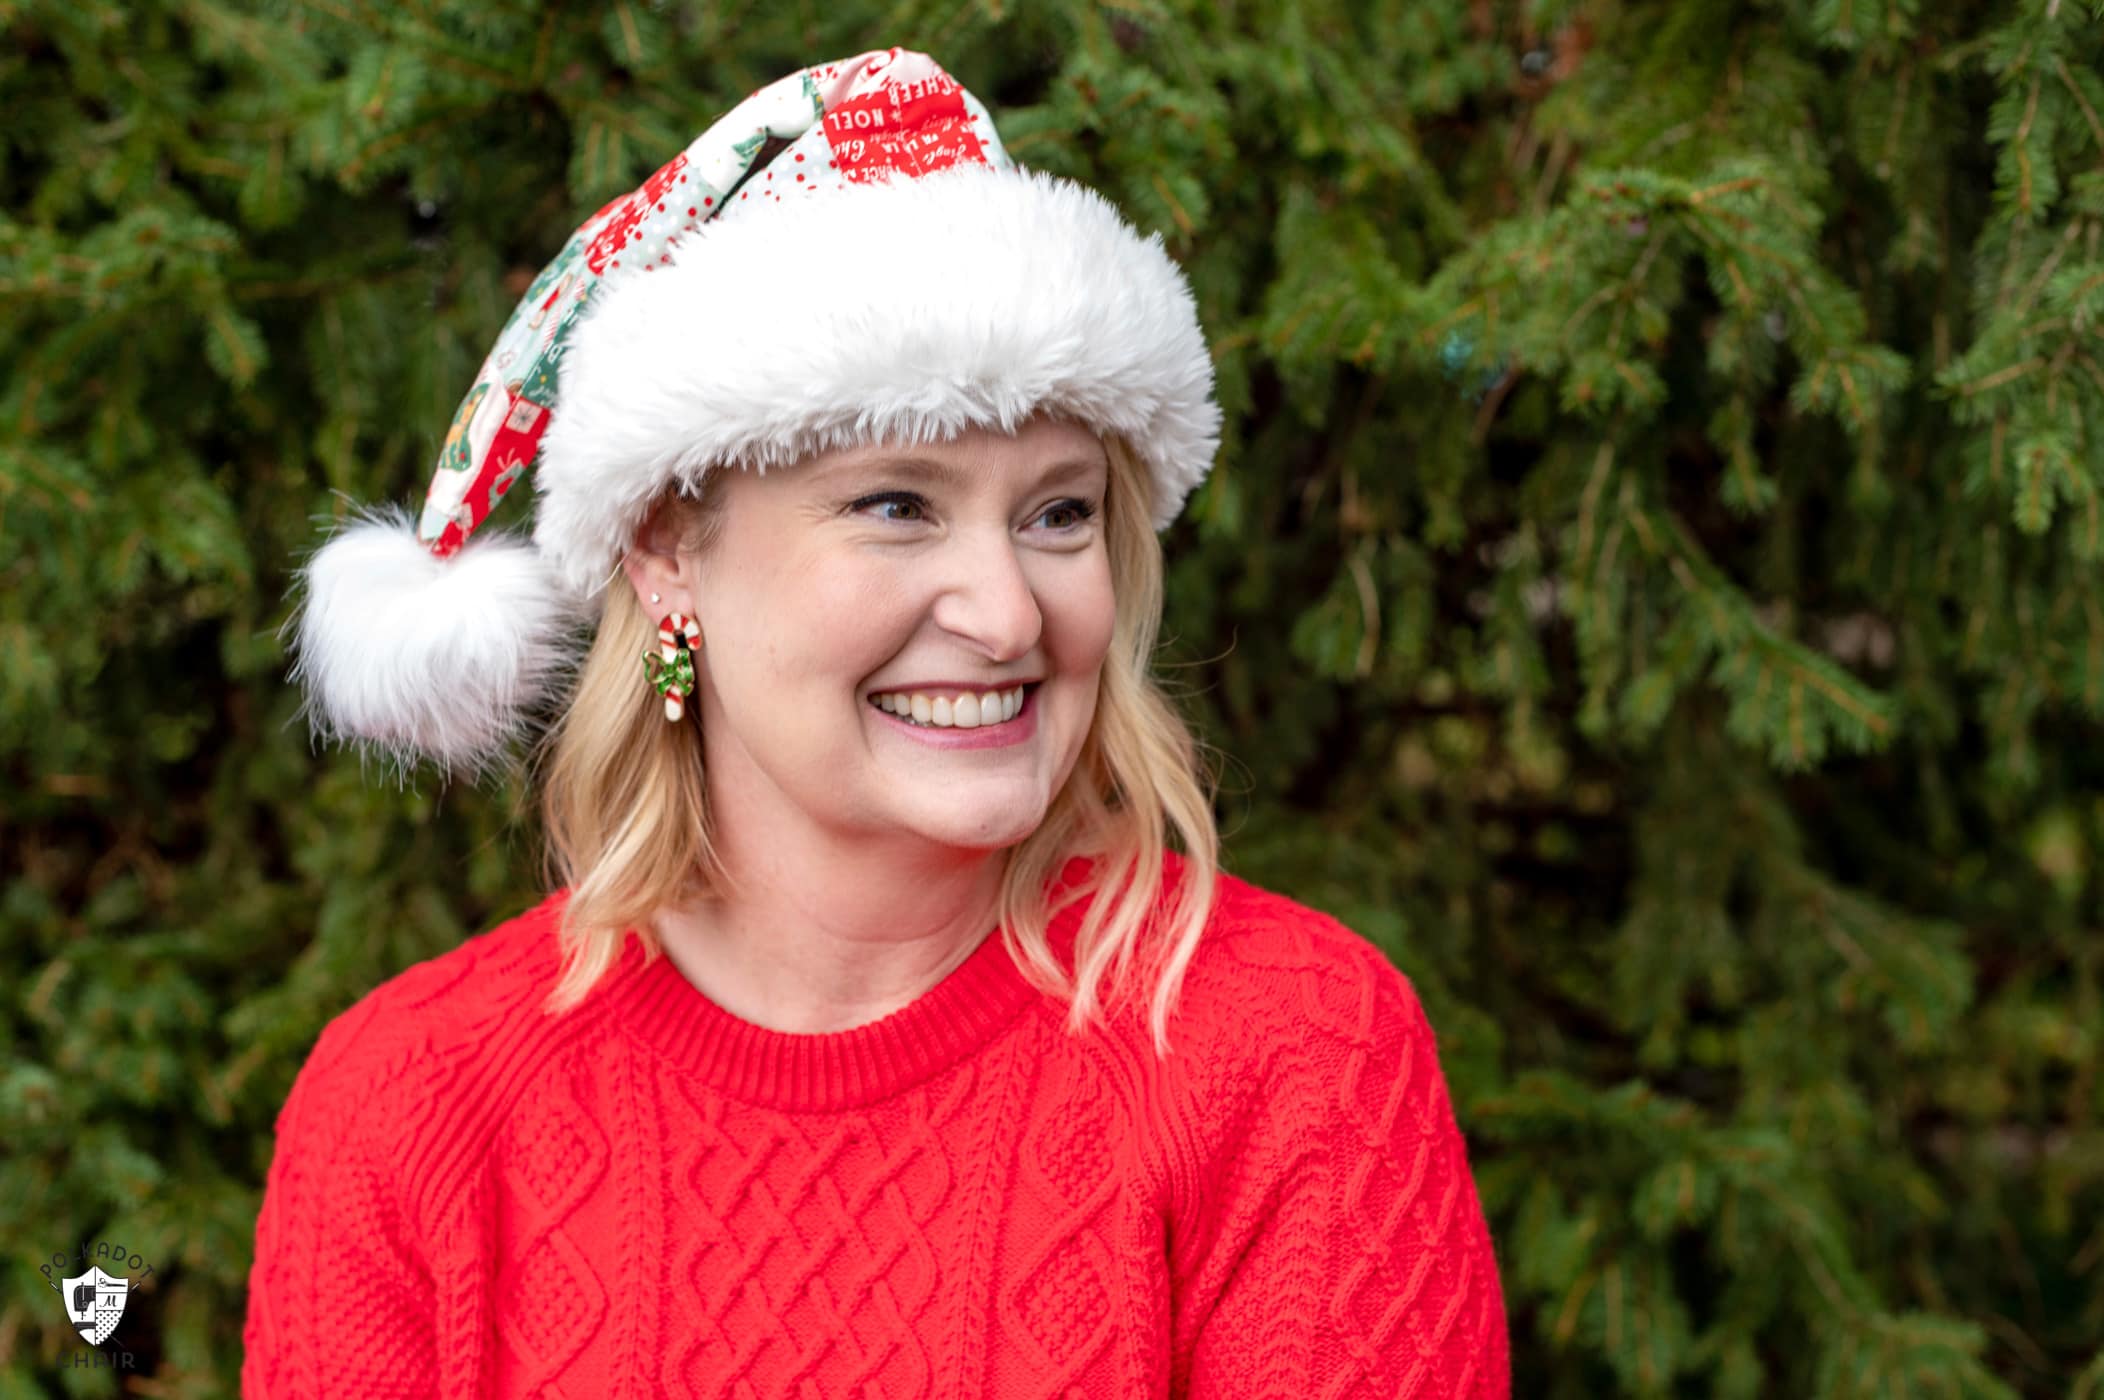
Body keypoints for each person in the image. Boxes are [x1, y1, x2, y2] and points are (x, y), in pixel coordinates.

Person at [245, 47, 1510, 1398]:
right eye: (895, 505)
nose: (1011, 616)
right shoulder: (409, 1103)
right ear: (668, 549)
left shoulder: (1292, 1052)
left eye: (1058, 513)